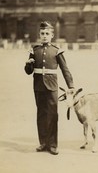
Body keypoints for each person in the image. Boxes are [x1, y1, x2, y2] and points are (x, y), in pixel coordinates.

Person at [24, 21, 74, 155]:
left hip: (52, 86)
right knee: (41, 115)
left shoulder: (57, 51)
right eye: (42, 33)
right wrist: (28, 64)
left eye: (47, 33)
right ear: (39, 35)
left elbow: (65, 69)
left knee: (52, 115)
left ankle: (52, 144)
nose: (44, 36)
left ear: (52, 35)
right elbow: (29, 71)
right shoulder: (34, 50)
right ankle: (43, 143)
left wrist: (71, 86)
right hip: (39, 87)